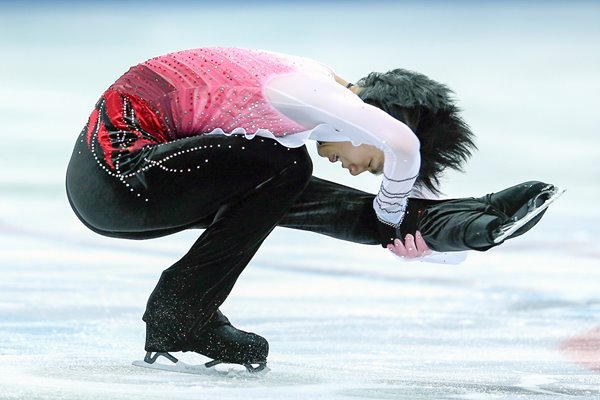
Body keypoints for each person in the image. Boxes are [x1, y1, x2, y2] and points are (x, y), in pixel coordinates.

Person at [65, 47, 560, 372]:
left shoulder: (323, 102)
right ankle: (182, 312)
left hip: (146, 182)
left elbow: (397, 151)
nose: (367, 172)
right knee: (284, 165)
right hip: (121, 177)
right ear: (372, 124)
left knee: (278, 176)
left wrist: (433, 242)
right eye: (377, 164)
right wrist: (390, 211)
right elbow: (402, 144)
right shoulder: (310, 92)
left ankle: (461, 223)